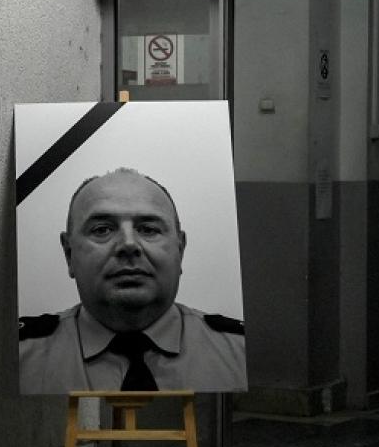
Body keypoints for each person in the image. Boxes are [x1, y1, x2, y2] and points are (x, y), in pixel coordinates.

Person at [18, 167, 246, 394]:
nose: (128, 244)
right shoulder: (18, 358)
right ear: (69, 254)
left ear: (180, 249)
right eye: (102, 230)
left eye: (148, 229)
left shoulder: (242, 352)